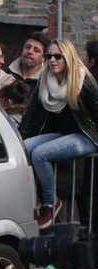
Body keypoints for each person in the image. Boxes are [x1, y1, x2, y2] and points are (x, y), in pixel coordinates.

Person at [19, 38, 98, 229]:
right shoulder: (45, 80)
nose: (52, 60)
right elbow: (31, 114)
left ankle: (50, 202)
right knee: (23, 149)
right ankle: (33, 198)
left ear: (68, 57)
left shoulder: (82, 80)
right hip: (63, 134)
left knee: (40, 154)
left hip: (87, 136)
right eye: (49, 56)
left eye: (57, 56)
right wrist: (18, 139)